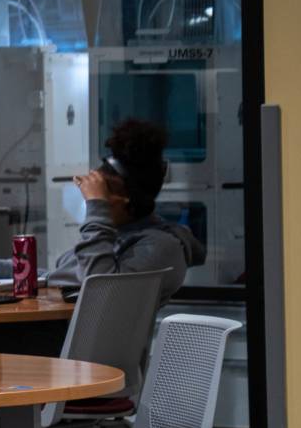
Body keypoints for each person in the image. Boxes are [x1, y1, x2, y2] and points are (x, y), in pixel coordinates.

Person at [41, 117, 204, 304]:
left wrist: (97, 210)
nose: (90, 206)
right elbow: (60, 275)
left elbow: (100, 292)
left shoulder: (161, 247)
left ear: (128, 200)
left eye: (99, 198)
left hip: (91, 332)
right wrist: (4, 268)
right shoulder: (114, 235)